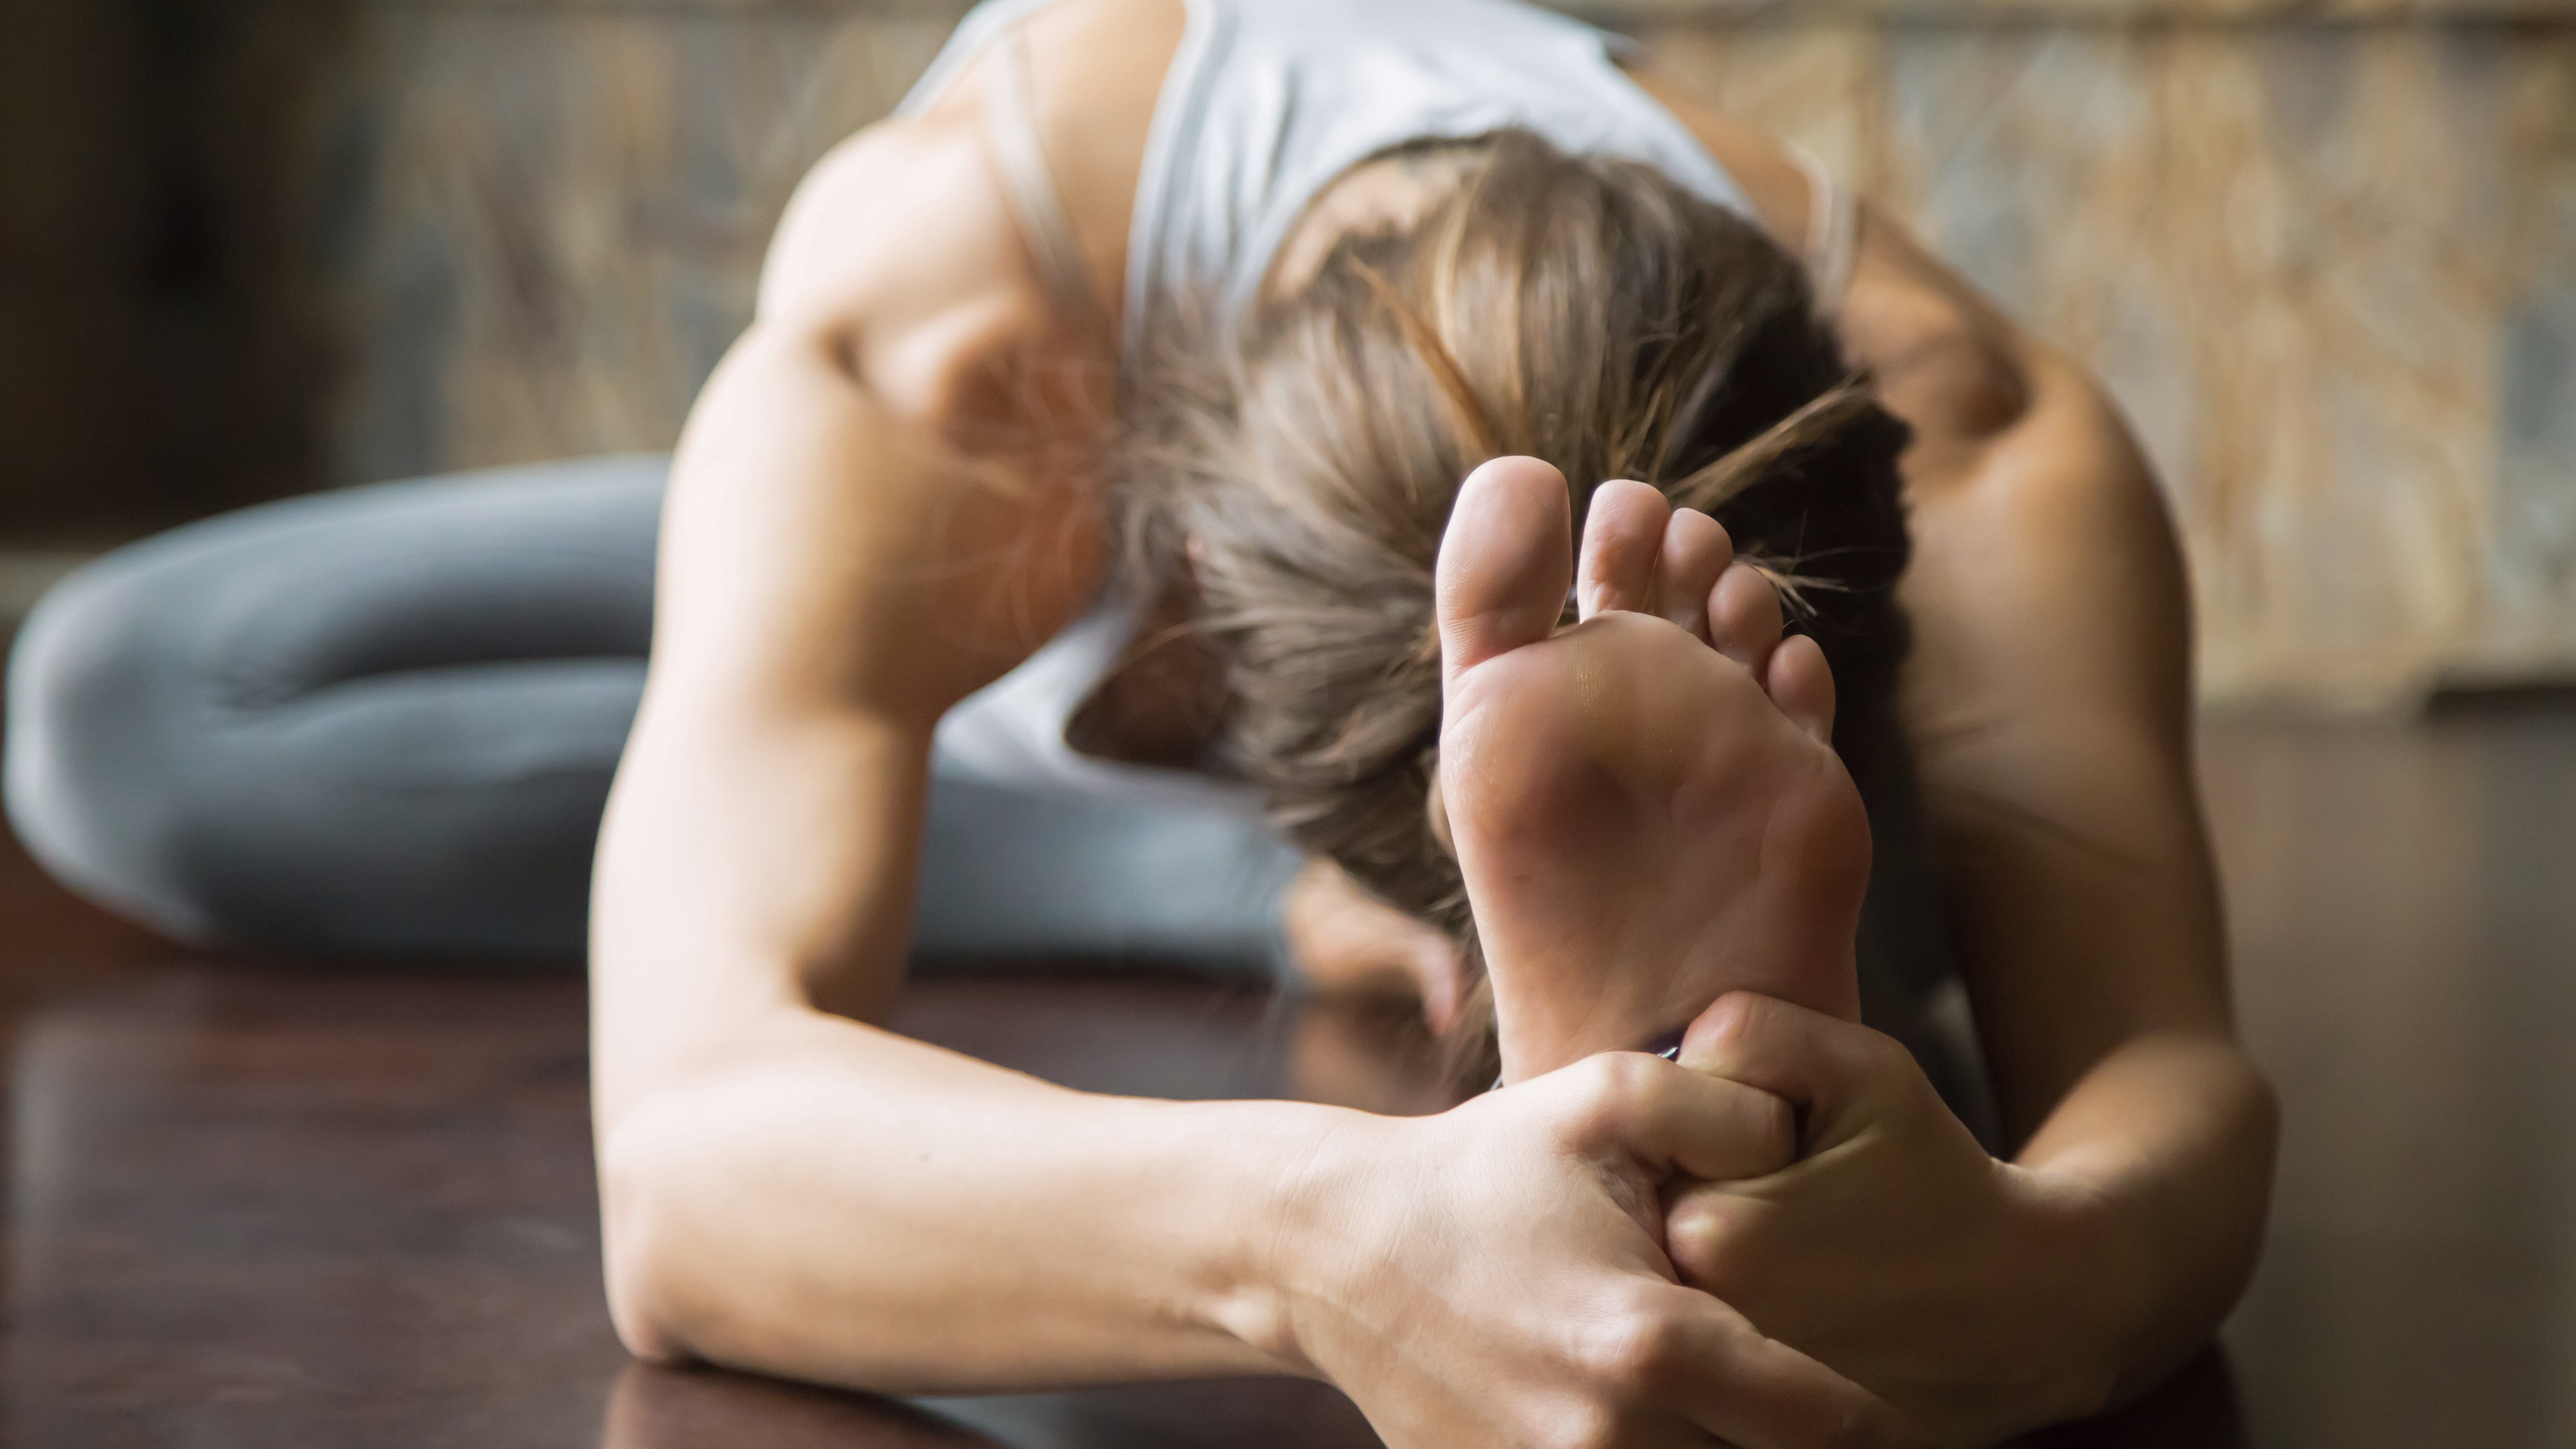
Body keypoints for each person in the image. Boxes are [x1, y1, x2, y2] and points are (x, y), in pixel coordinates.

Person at [3, 0, 2277, 1443]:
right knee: (127, 701)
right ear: (1180, 616)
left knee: (1942, 886)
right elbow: (684, 1168)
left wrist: (2046, 1276)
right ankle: (1404, 945)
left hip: (1540, 658)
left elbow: (2175, 1085)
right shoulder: (952, 328)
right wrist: (1344, 1235)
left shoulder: (1980, 444)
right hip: (1019, 608)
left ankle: (1685, 977)